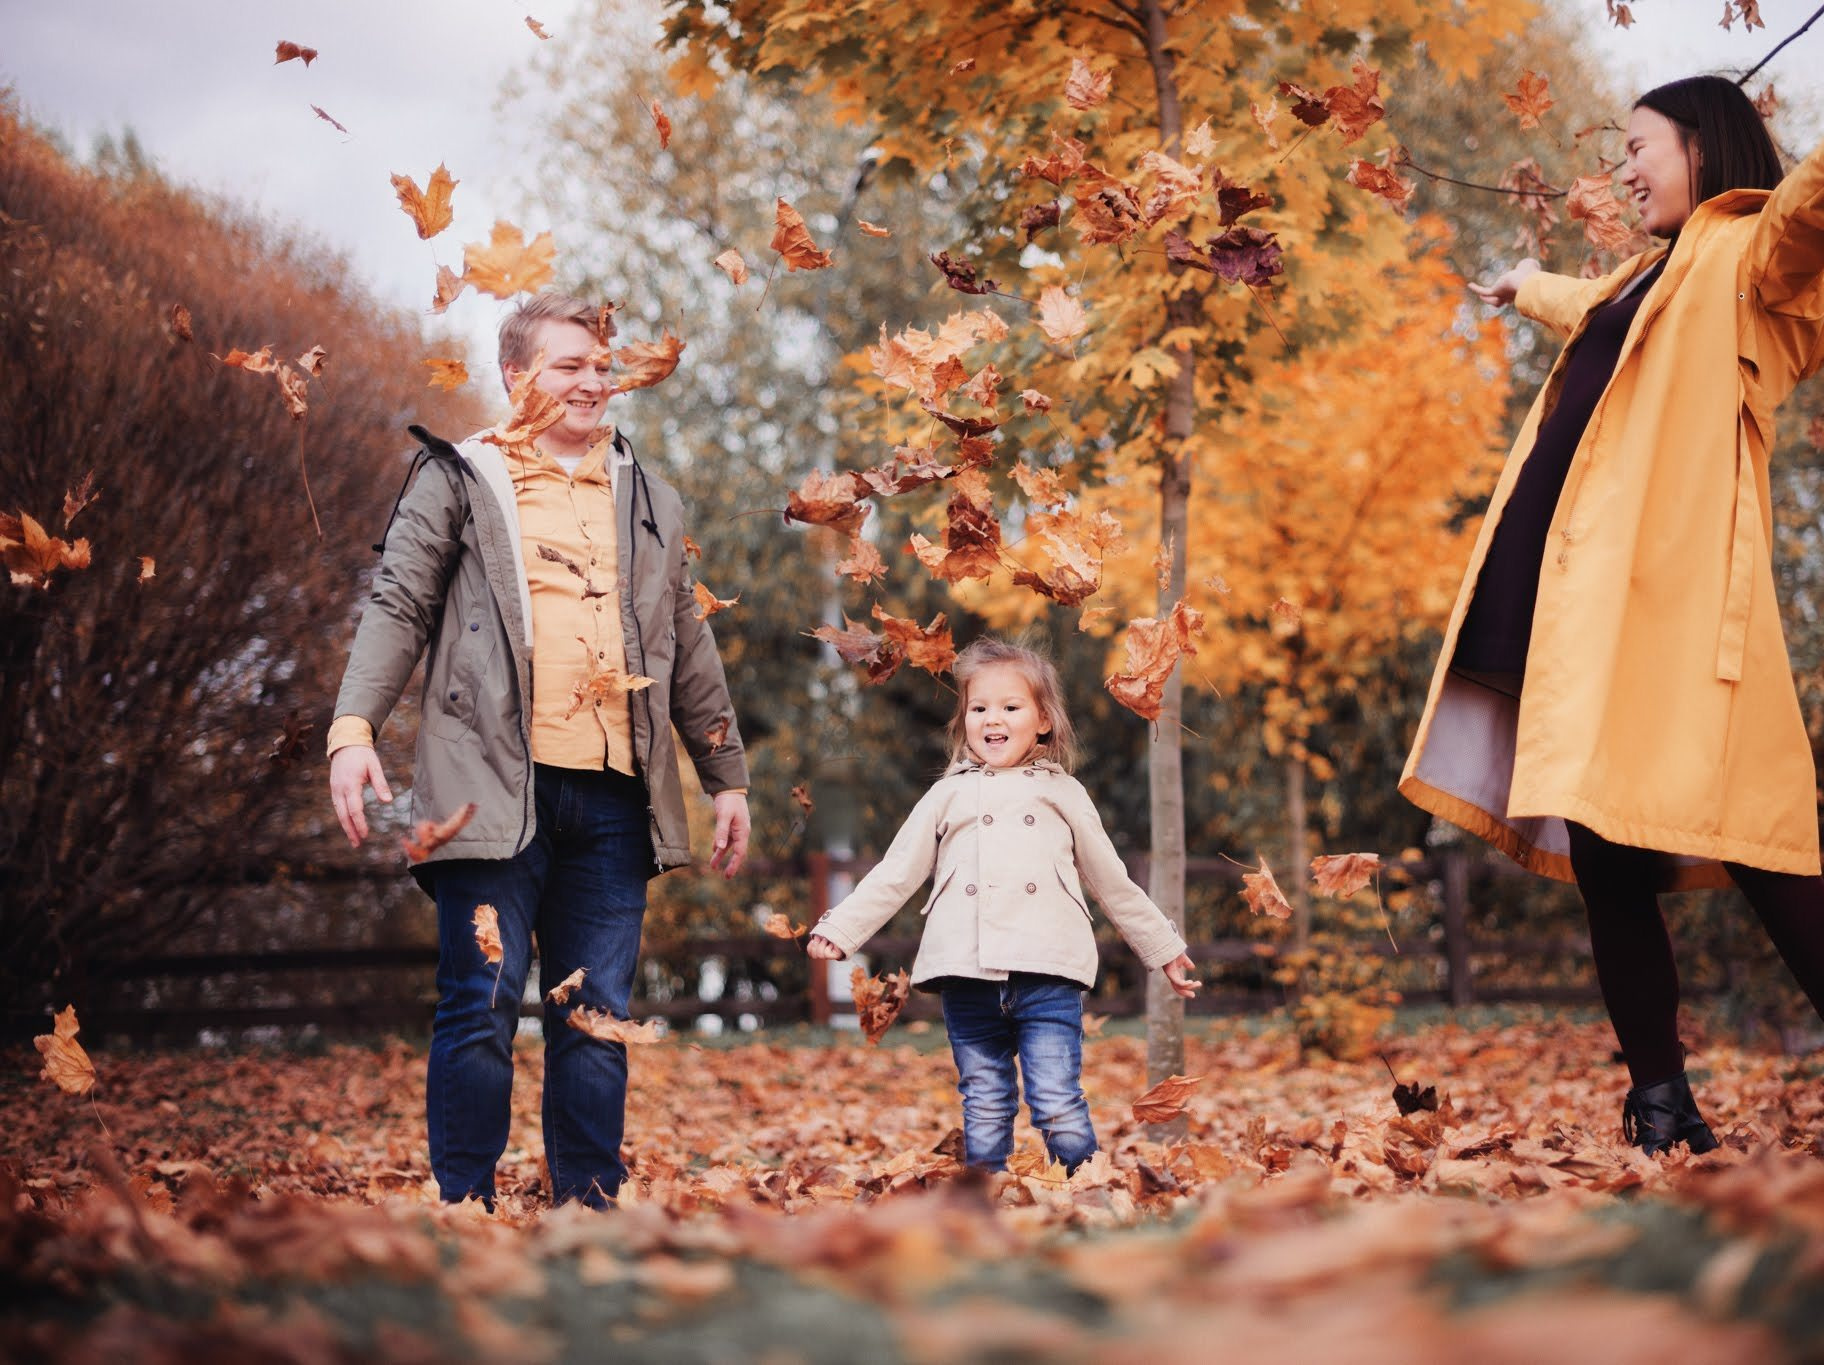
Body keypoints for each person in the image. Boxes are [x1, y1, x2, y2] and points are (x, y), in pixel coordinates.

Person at [1400, 51, 1824, 1153]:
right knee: (1603, 844)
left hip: (1680, 608)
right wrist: (1516, 286)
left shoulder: (1744, 255)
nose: (1625, 168)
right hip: (1586, 600)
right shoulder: (1646, 275)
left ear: (1701, 148)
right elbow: (1581, 305)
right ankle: (1658, 1098)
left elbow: (1809, 223)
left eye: (1637, 146)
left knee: (1759, 844)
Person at [326, 291, 752, 1207]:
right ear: (519, 377)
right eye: (570, 366)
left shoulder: (649, 495)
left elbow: (688, 639)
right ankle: (464, 1205)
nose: (594, 382)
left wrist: (725, 773)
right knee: (477, 1006)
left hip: (611, 796)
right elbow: (397, 605)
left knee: (594, 1019)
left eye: (603, 366)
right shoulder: (457, 477)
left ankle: (589, 1211)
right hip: (486, 787)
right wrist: (352, 727)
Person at [806, 638, 1201, 1174]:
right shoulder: (947, 795)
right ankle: (988, 1199)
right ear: (963, 719)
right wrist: (844, 928)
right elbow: (898, 872)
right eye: (979, 708)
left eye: (1010, 707)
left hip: (1048, 974)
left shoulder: (1064, 795)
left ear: (1042, 720)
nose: (993, 719)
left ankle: (1091, 1188)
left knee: (1057, 1101)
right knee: (986, 1104)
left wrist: (1164, 948)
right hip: (966, 973)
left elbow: (1113, 883)